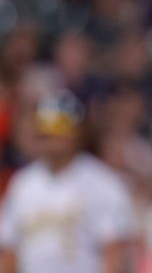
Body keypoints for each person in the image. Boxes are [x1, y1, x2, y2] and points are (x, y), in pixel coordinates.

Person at [0, 89, 134, 273]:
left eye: (58, 131)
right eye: (45, 132)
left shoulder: (103, 183)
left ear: (77, 132)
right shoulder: (23, 184)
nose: (51, 139)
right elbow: (9, 252)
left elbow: (114, 254)